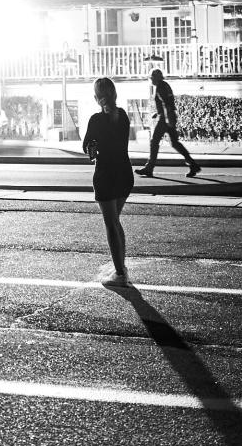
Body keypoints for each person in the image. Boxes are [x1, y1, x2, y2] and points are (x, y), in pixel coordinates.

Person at [82, 77, 134, 287]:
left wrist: (93, 148)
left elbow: (89, 149)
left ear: (97, 98)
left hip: (106, 174)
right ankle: (121, 268)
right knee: (115, 222)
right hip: (124, 173)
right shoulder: (122, 116)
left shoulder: (96, 120)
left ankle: (120, 273)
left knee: (111, 225)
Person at [137, 68, 200, 179]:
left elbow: (166, 103)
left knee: (154, 141)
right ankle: (193, 164)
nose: (151, 79)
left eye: (152, 77)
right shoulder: (164, 85)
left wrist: (166, 118)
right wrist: (158, 113)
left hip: (165, 118)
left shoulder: (160, 87)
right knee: (175, 143)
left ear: (156, 77)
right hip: (167, 116)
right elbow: (167, 103)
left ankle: (149, 168)